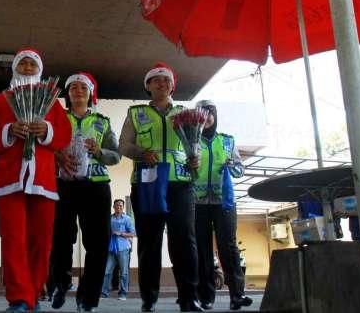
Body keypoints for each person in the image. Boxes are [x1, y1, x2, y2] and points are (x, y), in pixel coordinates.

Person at [0, 48, 72, 312]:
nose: (28, 67)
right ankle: (19, 297)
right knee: (14, 239)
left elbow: (63, 135)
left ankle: (32, 295)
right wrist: (10, 130)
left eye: (33, 64)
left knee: (42, 241)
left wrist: (47, 130)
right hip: (10, 179)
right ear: (15, 69)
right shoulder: (1, 100)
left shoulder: (52, 101)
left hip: (43, 180)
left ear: (40, 69)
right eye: (23, 64)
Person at [118, 63, 203, 312]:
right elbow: (124, 145)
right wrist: (141, 153)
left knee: (185, 241)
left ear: (172, 85)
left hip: (180, 183)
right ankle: (149, 299)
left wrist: (195, 159)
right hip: (148, 182)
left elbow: (195, 150)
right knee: (149, 242)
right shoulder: (135, 113)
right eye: (155, 80)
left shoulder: (186, 113)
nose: (161, 83)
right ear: (148, 86)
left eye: (166, 80)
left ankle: (189, 297)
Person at [50, 72, 120, 312]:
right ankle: (60, 283)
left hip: (97, 185)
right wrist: (58, 157)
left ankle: (88, 299)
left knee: (98, 243)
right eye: (73, 88)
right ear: (67, 94)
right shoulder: (57, 119)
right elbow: (45, 147)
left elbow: (116, 155)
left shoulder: (103, 121)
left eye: (83, 87)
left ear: (91, 94)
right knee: (61, 237)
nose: (78, 91)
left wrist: (100, 151)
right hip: (64, 184)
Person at [193, 100, 252, 311]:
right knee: (202, 249)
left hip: (224, 202)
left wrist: (233, 165)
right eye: (203, 112)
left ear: (215, 116)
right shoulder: (190, 140)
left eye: (210, 113)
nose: (207, 117)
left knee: (228, 247)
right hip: (197, 203)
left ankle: (237, 294)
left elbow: (239, 170)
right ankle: (206, 296)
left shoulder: (227, 141)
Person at [101, 199, 135, 300]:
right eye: (117, 206)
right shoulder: (109, 219)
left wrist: (121, 233)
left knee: (124, 272)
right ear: (113, 207)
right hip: (111, 249)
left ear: (123, 207)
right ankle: (104, 293)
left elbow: (133, 234)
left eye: (120, 206)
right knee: (107, 271)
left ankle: (123, 294)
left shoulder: (127, 219)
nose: (119, 207)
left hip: (123, 248)